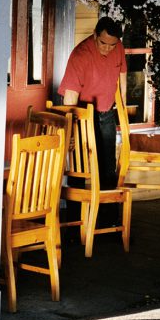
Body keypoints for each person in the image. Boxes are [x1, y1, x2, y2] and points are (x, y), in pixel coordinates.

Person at [58, 17, 127, 192]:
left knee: (107, 168)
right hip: (81, 115)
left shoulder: (118, 47)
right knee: (79, 169)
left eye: (112, 45)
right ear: (95, 34)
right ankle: (75, 215)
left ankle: (108, 217)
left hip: (106, 112)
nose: (108, 49)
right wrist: (71, 129)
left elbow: (122, 79)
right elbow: (70, 97)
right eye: (103, 43)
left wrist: (122, 111)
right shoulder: (81, 55)